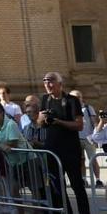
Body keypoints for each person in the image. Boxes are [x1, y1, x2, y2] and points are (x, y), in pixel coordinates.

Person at [40, 72, 90, 214]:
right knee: (58, 186)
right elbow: (40, 123)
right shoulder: (45, 99)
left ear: (60, 83)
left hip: (70, 151)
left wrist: (57, 121)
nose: (47, 84)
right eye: (45, 81)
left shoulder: (71, 100)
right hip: (52, 150)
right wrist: (43, 119)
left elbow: (79, 125)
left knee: (77, 185)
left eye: (50, 81)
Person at [0, 101, 28, 213]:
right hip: (12, 161)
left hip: (26, 159)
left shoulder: (11, 124)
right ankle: (20, 212)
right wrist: (0, 145)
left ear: (1, 114)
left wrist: (0, 144)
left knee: (34, 188)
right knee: (14, 190)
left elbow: (12, 143)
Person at [70, 90, 102, 188]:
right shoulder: (70, 109)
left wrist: (97, 136)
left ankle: (98, 180)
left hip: (88, 138)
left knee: (93, 159)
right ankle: (83, 179)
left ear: (81, 97)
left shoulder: (88, 108)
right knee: (81, 160)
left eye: (78, 97)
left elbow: (94, 122)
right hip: (76, 139)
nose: (76, 99)